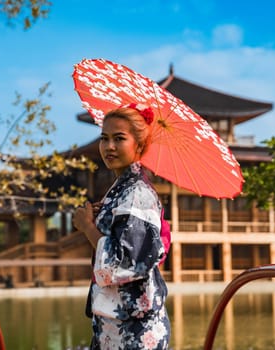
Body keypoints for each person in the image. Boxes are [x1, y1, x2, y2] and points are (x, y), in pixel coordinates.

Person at [73, 103, 171, 350]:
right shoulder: (121, 191)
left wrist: (87, 228)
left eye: (119, 138)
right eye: (104, 138)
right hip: (115, 323)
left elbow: (128, 262)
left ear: (139, 144)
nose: (109, 147)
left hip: (135, 329)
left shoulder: (136, 193)